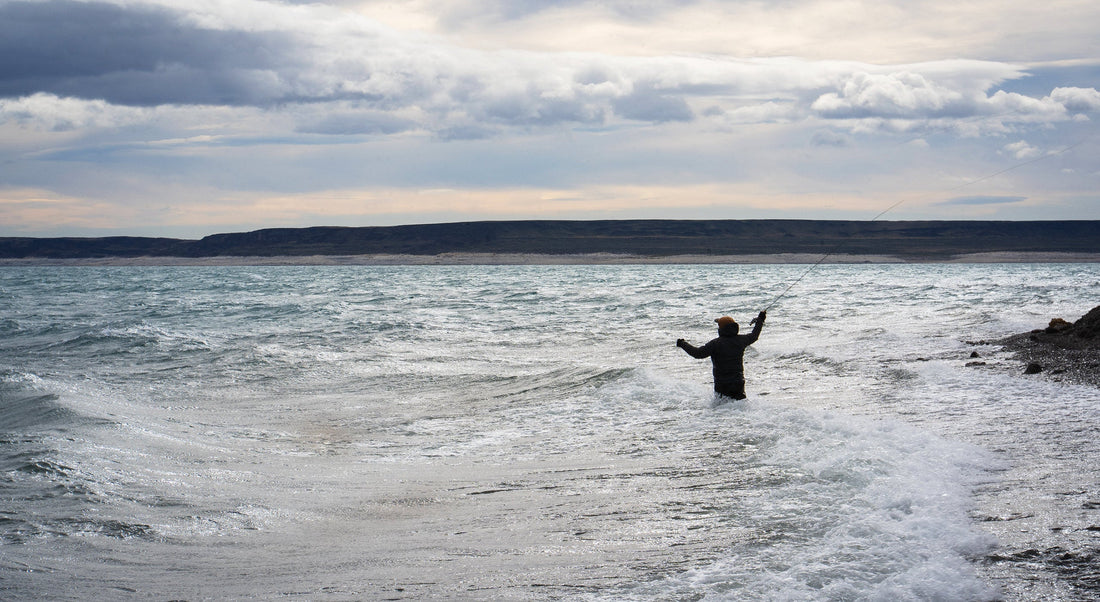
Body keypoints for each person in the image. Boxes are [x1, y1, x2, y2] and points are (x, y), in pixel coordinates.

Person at [676, 311, 766, 400]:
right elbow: (754, 335)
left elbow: (698, 353)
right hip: (738, 383)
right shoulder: (741, 340)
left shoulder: (715, 344)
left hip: (722, 384)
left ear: (721, 329)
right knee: (739, 406)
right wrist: (760, 320)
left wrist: (682, 344)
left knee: (722, 408)